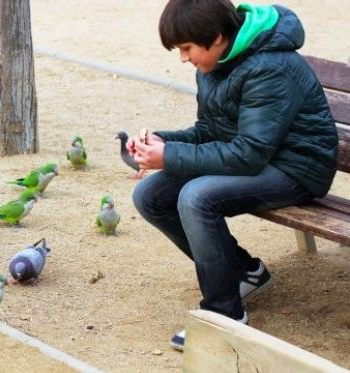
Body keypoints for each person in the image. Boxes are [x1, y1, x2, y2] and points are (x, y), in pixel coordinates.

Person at [129, 0, 338, 351]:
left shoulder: (270, 67)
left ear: (216, 37)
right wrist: (165, 142)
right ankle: (245, 272)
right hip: (259, 159)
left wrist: (170, 157)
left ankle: (224, 313)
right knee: (149, 196)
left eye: (187, 48)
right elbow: (210, 130)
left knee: (197, 197)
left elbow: (248, 154)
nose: (184, 58)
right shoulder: (215, 65)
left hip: (298, 168)